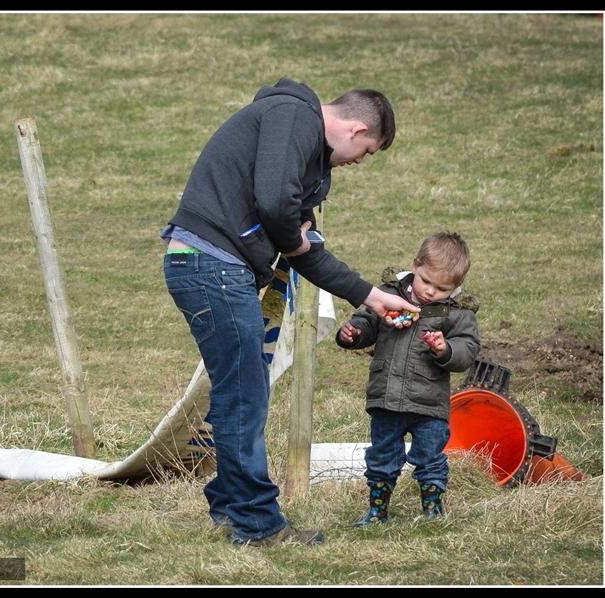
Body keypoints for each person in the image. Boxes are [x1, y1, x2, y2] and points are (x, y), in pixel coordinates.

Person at [161, 77, 419, 547]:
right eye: (367, 153)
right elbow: (276, 206)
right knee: (245, 396)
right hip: (212, 267)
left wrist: (371, 297)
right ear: (357, 130)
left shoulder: (302, 156)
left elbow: (303, 248)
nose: (359, 162)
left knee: (239, 391)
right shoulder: (294, 115)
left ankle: (229, 506)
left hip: (211, 266)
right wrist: (292, 232)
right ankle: (258, 525)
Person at [335, 232, 481, 527]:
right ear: (415, 265)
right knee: (382, 457)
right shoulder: (389, 294)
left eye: (442, 288)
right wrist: (353, 334)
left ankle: (432, 509)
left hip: (429, 405)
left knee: (430, 457)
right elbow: (367, 321)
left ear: (456, 287)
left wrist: (446, 348)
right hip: (387, 397)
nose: (430, 292)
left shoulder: (457, 313)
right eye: (426, 281)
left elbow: (467, 351)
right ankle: (377, 511)